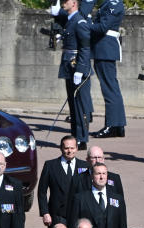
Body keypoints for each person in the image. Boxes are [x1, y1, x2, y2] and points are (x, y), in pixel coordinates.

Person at [67, 162, 127, 228]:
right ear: (92, 176)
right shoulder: (80, 199)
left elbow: (123, 226)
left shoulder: (117, 199)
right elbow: (72, 227)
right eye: (98, 174)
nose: (101, 177)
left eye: (104, 174)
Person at [54, 0, 92, 148]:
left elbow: (85, 48)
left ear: (74, 3)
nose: (63, 3)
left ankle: (82, 138)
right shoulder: (70, 20)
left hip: (78, 67)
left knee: (80, 105)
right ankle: (75, 136)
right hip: (69, 66)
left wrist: (81, 70)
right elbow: (58, 16)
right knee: (72, 103)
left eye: (65, 1)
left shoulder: (80, 22)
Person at [89, 0, 126, 138]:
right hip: (102, 48)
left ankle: (113, 126)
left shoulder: (113, 3)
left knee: (109, 88)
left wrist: (84, 24)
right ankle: (117, 125)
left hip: (105, 48)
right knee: (111, 88)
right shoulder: (108, 3)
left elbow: (103, 26)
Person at [64, 146, 125, 216]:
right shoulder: (77, 179)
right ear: (87, 160)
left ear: (103, 159)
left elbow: (121, 206)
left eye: (100, 157)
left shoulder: (115, 178)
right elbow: (71, 207)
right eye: (94, 158)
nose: (97, 160)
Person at [38, 135, 80, 227]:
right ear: (61, 148)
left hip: (79, 215)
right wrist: (45, 212)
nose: (69, 151)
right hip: (57, 215)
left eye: (72, 148)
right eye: (66, 148)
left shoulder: (84, 166)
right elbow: (42, 191)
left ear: (77, 148)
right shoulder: (50, 166)